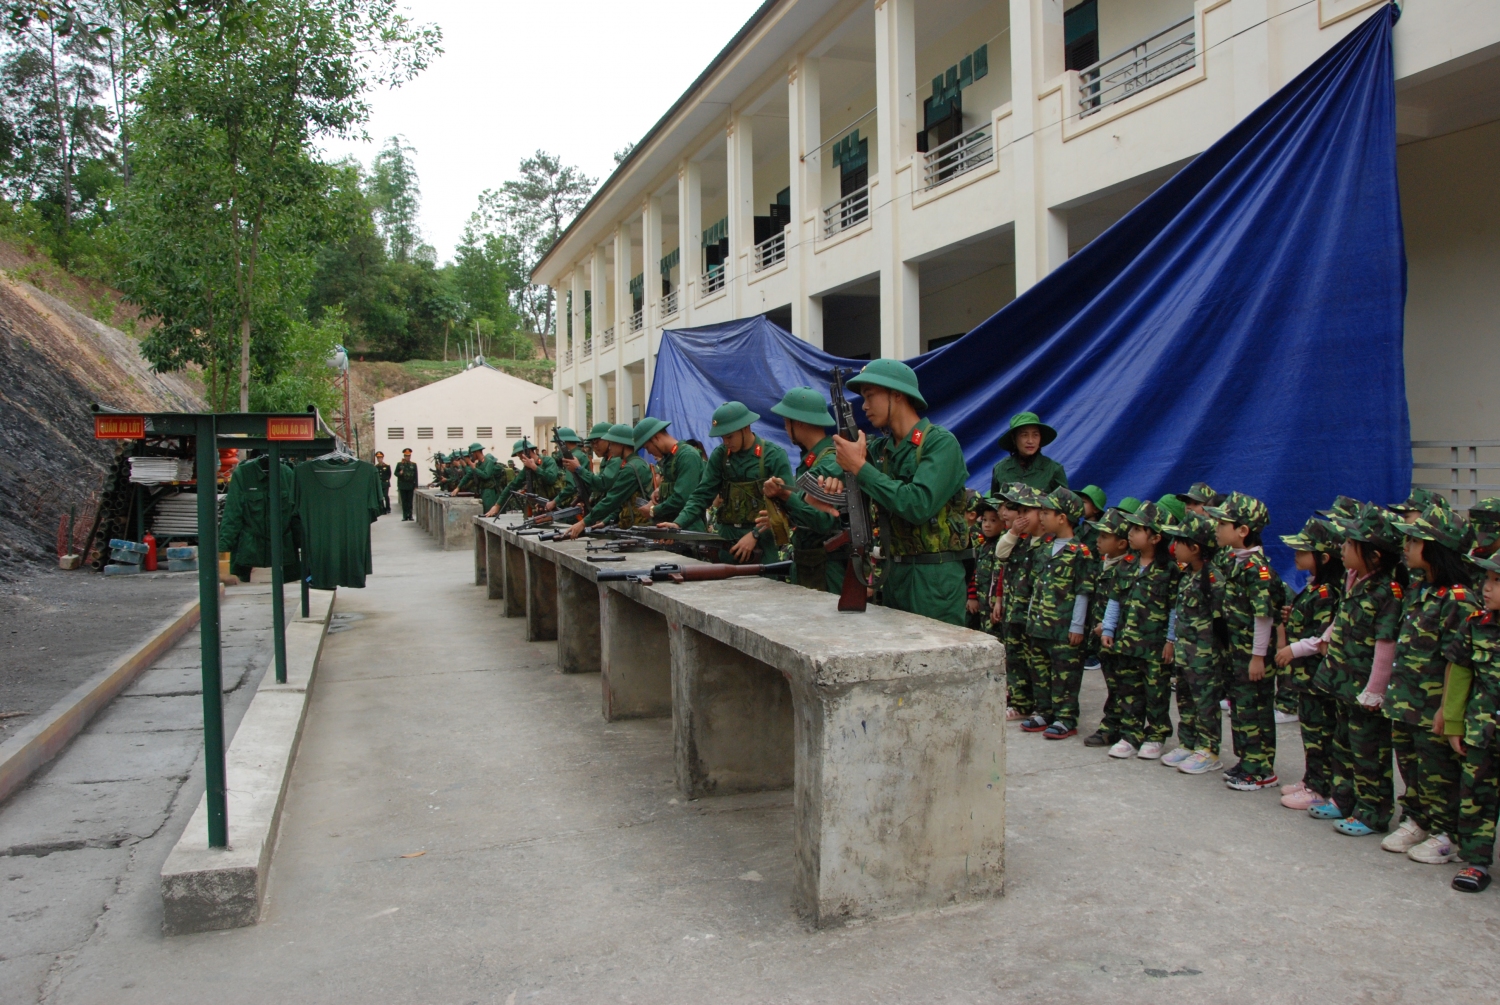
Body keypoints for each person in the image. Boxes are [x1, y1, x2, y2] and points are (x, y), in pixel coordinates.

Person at [822, 360, 971, 626]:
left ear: (897, 394)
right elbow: (835, 469)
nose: (864, 406)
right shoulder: (881, 450)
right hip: (894, 574)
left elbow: (918, 504)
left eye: (870, 396)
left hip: (934, 577)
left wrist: (859, 468)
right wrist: (832, 479)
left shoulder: (939, 443)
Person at [1378, 506, 1477, 863]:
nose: (1406, 547)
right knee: (1411, 766)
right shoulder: (1420, 588)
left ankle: (1447, 832)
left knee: (1439, 772)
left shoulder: (1458, 599)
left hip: (1433, 705)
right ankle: (1419, 819)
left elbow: (1458, 662)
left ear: (1437, 548)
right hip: (1406, 700)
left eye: (1415, 541)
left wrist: (1447, 711)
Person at [1303, 504, 1406, 836]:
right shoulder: (1354, 580)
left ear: (1374, 556)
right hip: (1343, 681)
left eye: (1350, 544)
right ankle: (1343, 799)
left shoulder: (1386, 591)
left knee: (1369, 753)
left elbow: (1386, 645)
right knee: (1343, 744)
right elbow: (1342, 617)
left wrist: (1375, 691)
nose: (1343, 548)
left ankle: (1372, 812)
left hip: (1364, 688)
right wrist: (1326, 637)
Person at [1204, 491, 1283, 791]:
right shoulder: (1234, 561)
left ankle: (1261, 769)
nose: (1217, 528)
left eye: (1223, 524)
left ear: (1243, 530)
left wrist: (1258, 657)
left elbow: (1263, 617)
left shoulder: (1257, 570)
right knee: (1240, 707)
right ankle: (1247, 760)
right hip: (1237, 652)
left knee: (1256, 709)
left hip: (1252, 655)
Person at [1439, 547, 1500, 893]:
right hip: (1482, 730)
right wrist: (1453, 723)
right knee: (1475, 796)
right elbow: (1460, 672)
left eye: (1497, 580)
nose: (1486, 587)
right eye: (1487, 579)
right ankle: (1476, 862)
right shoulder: (1477, 624)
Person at [662, 401, 792, 563]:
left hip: (762, 541)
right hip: (727, 538)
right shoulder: (720, 456)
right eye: (722, 437)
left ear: (745, 428)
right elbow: (701, 496)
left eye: (729, 436)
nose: (726, 442)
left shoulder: (773, 456)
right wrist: (678, 523)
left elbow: (787, 505)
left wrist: (755, 534)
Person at [1273, 516, 1345, 810]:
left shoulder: (1328, 592)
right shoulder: (1315, 587)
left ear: (1324, 558)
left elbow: (1322, 635)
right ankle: (1311, 779)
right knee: (1311, 729)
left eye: (1303, 551)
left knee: (1320, 732)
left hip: (1317, 677)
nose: (1296, 555)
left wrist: (1294, 648)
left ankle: (1319, 786)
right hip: (1306, 678)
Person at [1101, 500, 1179, 759]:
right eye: (1131, 528)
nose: (1131, 533)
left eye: (1137, 529)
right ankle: (1130, 734)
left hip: (1155, 645)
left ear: (1156, 538)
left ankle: (1156, 735)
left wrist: (1171, 639)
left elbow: (1174, 608)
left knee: (1156, 691)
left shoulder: (1169, 570)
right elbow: (1114, 600)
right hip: (1127, 642)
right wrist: (1108, 629)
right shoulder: (1126, 565)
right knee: (1128, 690)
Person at [1024, 488, 1095, 740]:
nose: (1041, 516)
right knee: (1040, 671)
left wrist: (1077, 626)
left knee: (1065, 673)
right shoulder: (1043, 548)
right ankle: (1044, 711)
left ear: (1062, 518)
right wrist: (1030, 617)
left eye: (1046, 512)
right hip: (1039, 625)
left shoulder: (1080, 552)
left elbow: (1083, 592)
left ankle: (1065, 717)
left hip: (1064, 629)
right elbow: (1035, 587)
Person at [760, 387, 846, 592]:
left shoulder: (831, 462)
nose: (785, 427)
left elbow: (823, 520)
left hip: (827, 570)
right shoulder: (811, 460)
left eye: (786, 421)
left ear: (797, 422)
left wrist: (786, 496)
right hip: (810, 565)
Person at [1162, 510, 1224, 773]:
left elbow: (1221, 620)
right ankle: (1187, 743)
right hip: (1185, 652)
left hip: (1204, 655)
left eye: (1180, 542)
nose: (1174, 547)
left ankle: (1209, 749)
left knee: (1205, 702)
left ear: (1195, 548)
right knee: (1185, 700)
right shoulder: (1186, 574)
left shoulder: (1213, 579)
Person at [1084, 506, 1136, 748]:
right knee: (1112, 682)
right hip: (1103, 636)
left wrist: (1108, 626)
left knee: (1122, 685)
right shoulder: (1104, 563)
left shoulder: (1127, 569)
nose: (1098, 540)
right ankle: (1113, 725)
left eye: (1105, 536)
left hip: (1119, 637)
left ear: (1122, 544)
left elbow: (1128, 605)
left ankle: (1121, 728)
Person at [566, 423, 652, 535]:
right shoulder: (636, 463)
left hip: (640, 527)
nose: (610, 447)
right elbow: (621, 501)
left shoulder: (631, 468)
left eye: (612, 443)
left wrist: (583, 523)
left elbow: (612, 499)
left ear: (621, 444)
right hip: (637, 526)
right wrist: (606, 521)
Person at [637, 417, 705, 531]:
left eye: (647, 447)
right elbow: (675, 487)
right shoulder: (670, 458)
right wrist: (660, 490)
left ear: (656, 438)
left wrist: (653, 510)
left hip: (688, 529)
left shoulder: (687, 456)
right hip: (671, 528)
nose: (649, 452)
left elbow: (682, 497)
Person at [989, 411, 1068, 498]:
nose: (1030, 441)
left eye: (1035, 435)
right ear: (1014, 438)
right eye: (1024, 435)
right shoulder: (1000, 469)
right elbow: (994, 502)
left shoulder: (1054, 469)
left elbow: (1066, 504)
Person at [395, 449, 419, 521]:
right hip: (402, 485)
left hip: (410, 485)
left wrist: (416, 485)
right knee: (404, 501)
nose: (408, 457)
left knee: (410, 501)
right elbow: (395, 473)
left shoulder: (413, 465)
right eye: (406, 456)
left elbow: (416, 475)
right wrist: (400, 473)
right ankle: (405, 516)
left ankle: (410, 515)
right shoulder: (400, 464)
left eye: (409, 456)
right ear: (404, 456)